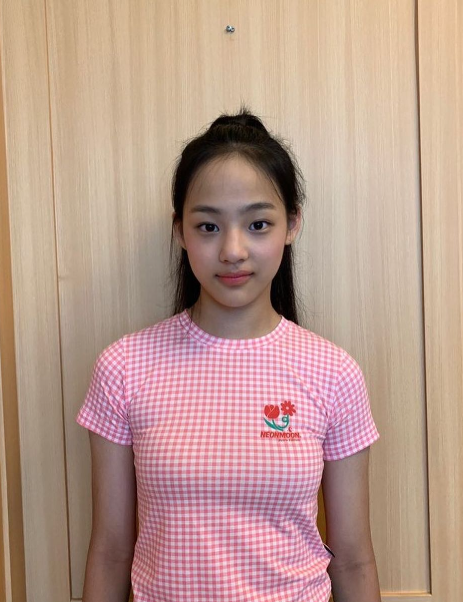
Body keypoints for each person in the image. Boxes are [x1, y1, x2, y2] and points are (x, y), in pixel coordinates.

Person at [77, 107, 381, 602]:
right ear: (180, 231)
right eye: (208, 227)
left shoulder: (333, 372)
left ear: (292, 225)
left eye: (258, 224)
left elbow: (353, 559)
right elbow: (111, 552)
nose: (233, 251)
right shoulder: (124, 367)